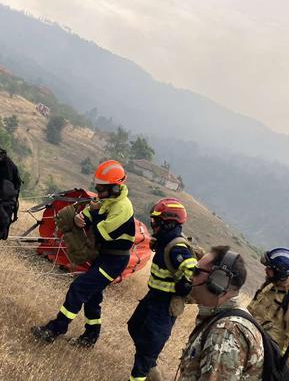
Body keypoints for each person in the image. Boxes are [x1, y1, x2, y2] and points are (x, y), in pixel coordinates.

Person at [32, 160, 135, 347]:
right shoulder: (107, 200)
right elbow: (92, 212)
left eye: (102, 188)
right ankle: (90, 336)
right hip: (105, 256)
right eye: (98, 187)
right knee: (93, 297)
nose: (99, 191)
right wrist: (82, 217)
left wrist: (90, 218)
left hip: (115, 260)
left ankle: (56, 328)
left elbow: (103, 232)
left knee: (79, 288)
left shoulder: (123, 207)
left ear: (115, 188)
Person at [127, 198, 197, 381]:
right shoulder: (165, 243)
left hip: (165, 305)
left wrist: (185, 284)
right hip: (153, 297)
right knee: (134, 327)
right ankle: (150, 368)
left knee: (149, 346)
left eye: (155, 221)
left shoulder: (177, 248)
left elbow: (193, 271)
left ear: (168, 224)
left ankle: (141, 373)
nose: (153, 225)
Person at [177, 247, 264, 381]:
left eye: (196, 271)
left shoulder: (226, 332)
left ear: (217, 282)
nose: (190, 277)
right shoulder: (221, 318)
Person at [247, 247, 289, 361]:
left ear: (281, 273)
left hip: (266, 357)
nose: (266, 271)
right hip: (249, 346)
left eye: (270, 269)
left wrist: (277, 363)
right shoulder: (269, 287)